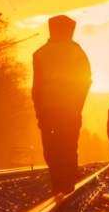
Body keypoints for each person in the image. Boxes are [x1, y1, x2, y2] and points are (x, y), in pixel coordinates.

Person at [32, 14, 91, 195]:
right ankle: (67, 189)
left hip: (48, 110)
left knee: (52, 150)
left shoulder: (40, 53)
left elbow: (37, 87)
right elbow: (86, 81)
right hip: (71, 110)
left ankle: (57, 187)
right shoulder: (78, 51)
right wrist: (78, 106)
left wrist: (39, 112)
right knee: (69, 149)